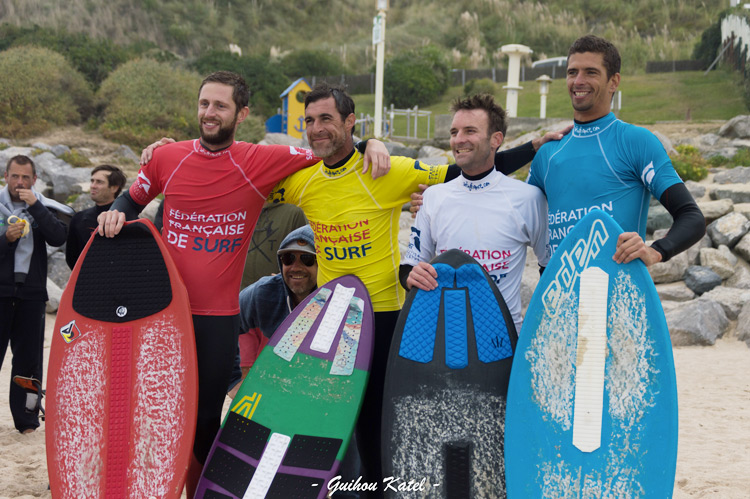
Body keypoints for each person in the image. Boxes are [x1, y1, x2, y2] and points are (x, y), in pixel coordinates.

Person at [95, 71, 390, 495]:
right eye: (203, 104)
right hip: (162, 312)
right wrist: (115, 213)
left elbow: (330, 152)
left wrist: (372, 143)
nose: (209, 113)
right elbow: (132, 198)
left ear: (242, 113)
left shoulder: (259, 159)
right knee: (154, 412)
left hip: (217, 318)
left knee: (204, 420)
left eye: (220, 106)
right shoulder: (167, 157)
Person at [266, 82, 563, 495]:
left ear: (350, 122)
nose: (317, 128)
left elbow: (466, 170)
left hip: (386, 312)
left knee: (379, 420)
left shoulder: (388, 171)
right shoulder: (301, 181)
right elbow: (250, 183)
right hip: (333, 313)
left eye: (326, 120)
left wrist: (531, 147)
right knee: (331, 418)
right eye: (310, 121)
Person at [528, 35, 705, 264]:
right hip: (560, 297)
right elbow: (515, 220)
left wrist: (655, 251)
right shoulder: (548, 154)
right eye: (572, 72)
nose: (578, 81)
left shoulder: (636, 142)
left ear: (614, 82)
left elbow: (692, 218)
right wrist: (527, 149)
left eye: (591, 72)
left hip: (618, 295)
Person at [401, 94, 550, 333]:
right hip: (445, 337)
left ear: (496, 139)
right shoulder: (433, 197)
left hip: (503, 341)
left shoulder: (528, 198)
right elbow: (409, 267)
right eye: (454, 132)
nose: (459, 140)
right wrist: (412, 277)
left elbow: (549, 269)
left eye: (470, 131)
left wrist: (539, 325)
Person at [0, 155, 67, 433]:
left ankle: (26, 420)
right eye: (15, 176)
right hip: (1, 293)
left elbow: (58, 237)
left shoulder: (44, 206)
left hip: (31, 294)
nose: (20, 182)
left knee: (28, 362)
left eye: (26, 177)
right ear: (6, 176)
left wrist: (36, 206)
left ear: (34, 180)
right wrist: (6, 239)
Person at [231, 224, 318, 389]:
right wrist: (232, 383)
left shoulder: (338, 297)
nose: (296, 267)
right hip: (280, 386)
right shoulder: (264, 292)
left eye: (307, 259)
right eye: (288, 258)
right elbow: (224, 328)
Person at [65, 164, 127, 269]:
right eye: (92, 181)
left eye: (99, 182)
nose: (93, 186)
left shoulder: (125, 219)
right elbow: (71, 258)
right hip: (87, 281)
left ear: (114, 188)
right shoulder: (79, 218)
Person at [240, 201, 307, 288]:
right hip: (238, 293)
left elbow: (305, 254)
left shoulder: (294, 212)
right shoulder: (234, 211)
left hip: (275, 291)